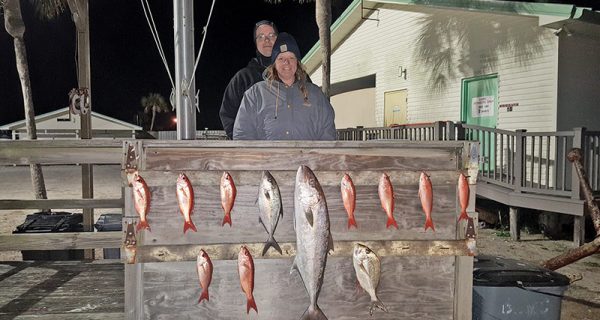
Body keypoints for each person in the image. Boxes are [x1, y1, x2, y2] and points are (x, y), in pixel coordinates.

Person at [233, 32, 336, 141]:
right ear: (274, 64)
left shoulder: (316, 95)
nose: (286, 62)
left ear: (297, 62)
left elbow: (328, 134)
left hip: (307, 158)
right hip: (268, 158)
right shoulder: (255, 94)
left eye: (291, 58)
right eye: (281, 58)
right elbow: (242, 134)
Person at [219, 20, 278, 140]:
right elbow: (228, 115)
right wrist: (245, 144)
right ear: (256, 43)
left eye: (271, 36)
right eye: (261, 37)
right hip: (255, 152)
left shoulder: (294, 74)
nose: (267, 40)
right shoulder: (243, 78)